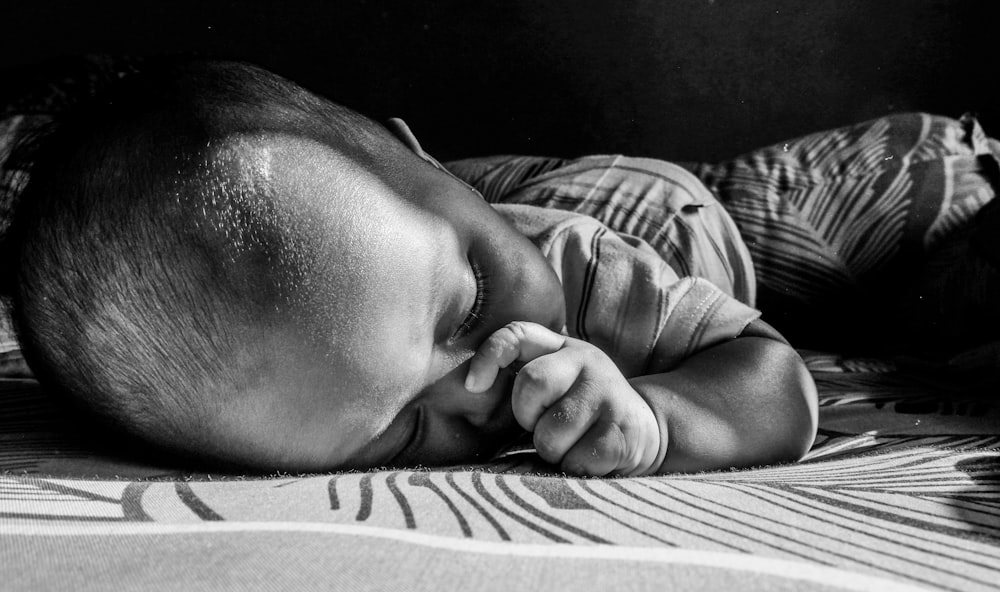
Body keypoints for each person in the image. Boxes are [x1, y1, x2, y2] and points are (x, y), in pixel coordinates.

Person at [6, 58, 988, 477]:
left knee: (941, 230)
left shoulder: (580, 277)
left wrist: (659, 418)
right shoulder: (382, 278)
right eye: (399, 430)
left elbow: (771, 376)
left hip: (763, 212)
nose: (480, 384)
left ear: (414, 153)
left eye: (467, 301)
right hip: (549, 191)